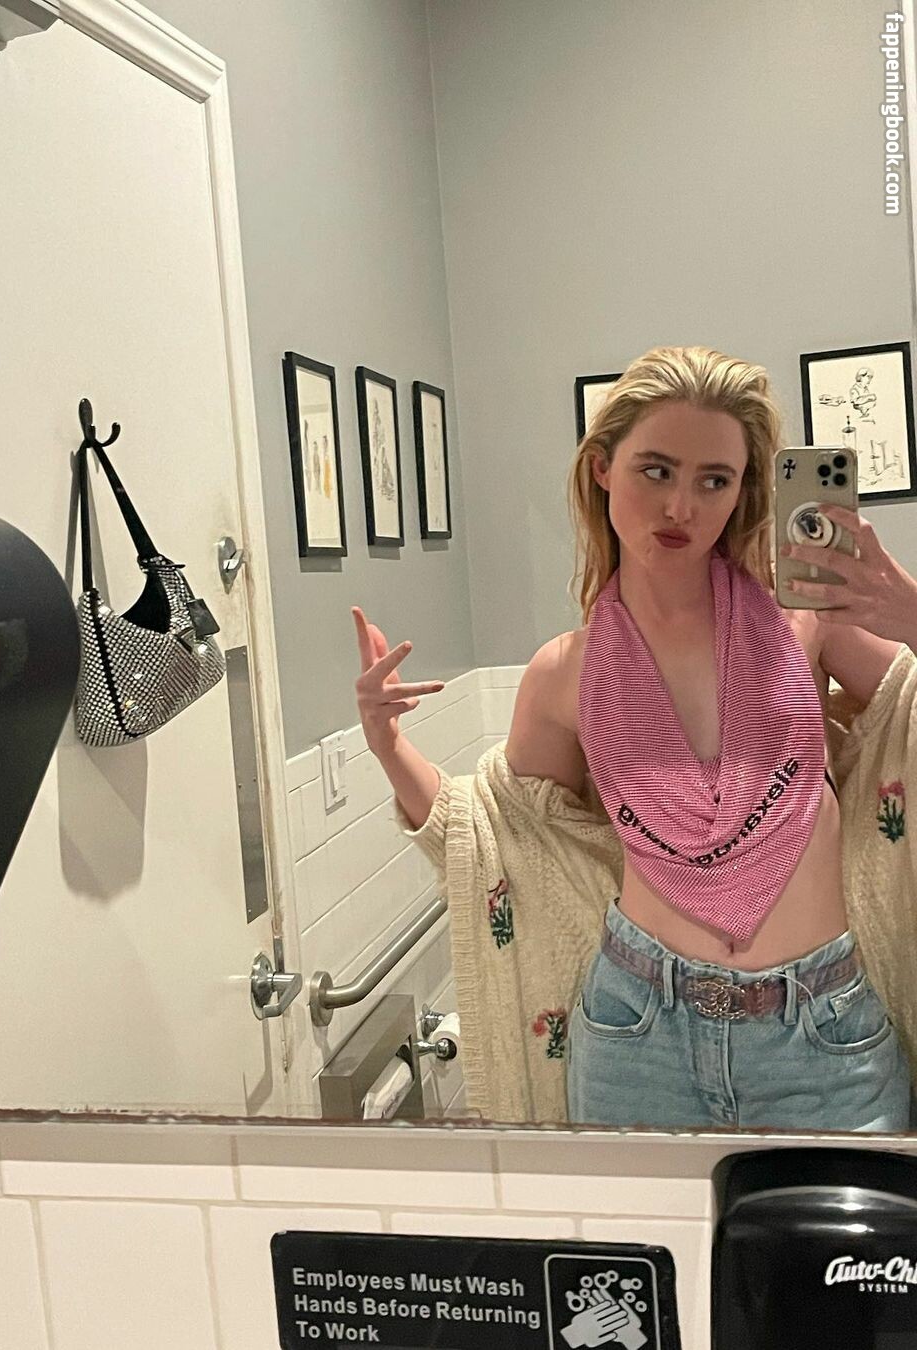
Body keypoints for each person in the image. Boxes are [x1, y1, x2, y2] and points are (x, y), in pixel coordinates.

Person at [352, 345, 917, 1131]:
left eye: (713, 480)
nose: (681, 505)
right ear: (602, 469)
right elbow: (501, 834)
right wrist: (386, 745)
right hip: (638, 1036)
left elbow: (905, 714)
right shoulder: (565, 673)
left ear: (742, 492)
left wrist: (908, 611)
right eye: (656, 470)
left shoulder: (808, 620)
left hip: (824, 1036)